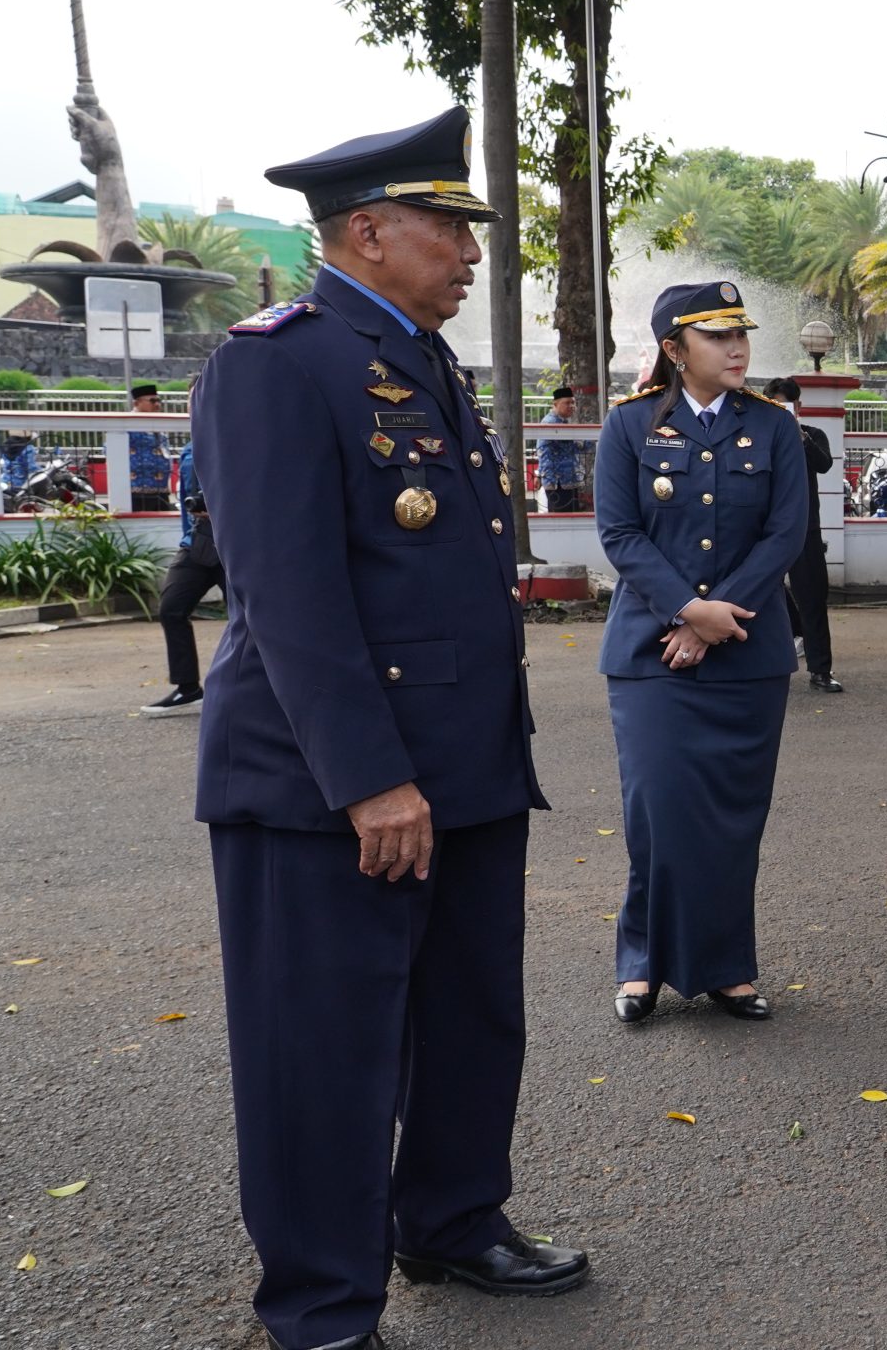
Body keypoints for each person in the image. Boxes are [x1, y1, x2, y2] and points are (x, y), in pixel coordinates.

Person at [192, 105, 586, 1350]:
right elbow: (288, 596)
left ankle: (453, 1221)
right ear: (367, 232)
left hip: (463, 769)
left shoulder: (417, 357)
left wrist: (460, 768)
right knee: (324, 1052)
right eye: (450, 228)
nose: (473, 252)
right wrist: (370, 782)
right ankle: (318, 1304)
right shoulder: (277, 360)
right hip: (326, 787)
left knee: (473, 1018)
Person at [594, 282, 808, 1025]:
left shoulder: (774, 428)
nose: (738, 347)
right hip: (651, 656)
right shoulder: (629, 428)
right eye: (717, 337)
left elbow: (784, 535)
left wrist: (715, 621)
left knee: (730, 818)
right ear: (675, 350)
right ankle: (643, 965)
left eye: (740, 333)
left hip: (746, 655)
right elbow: (620, 534)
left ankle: (728, 968)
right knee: (657, 813)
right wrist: (686, 611)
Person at [143, 380, 220, 717]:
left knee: (249, 622)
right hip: (196, 543)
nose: (194, 406)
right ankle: (188, 688)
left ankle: (262, 691)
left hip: (234, 544)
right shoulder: (190, 446)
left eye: (198, 399)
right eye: (191, 401)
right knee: (172, 608)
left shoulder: (235, 441)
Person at [766, 375, 842, 692]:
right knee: (761, 593)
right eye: (774, 404)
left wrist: (798, 435)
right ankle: (778, 651)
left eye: (785, 403)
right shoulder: (756, 437)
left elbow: (824, 465)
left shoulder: (812, 435)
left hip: (804, 529)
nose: (780, 409)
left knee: (813, 598)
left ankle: (820, 671)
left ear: (797, 405)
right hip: (765, 530)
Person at [536, 387, 592, 513]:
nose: (572, 406)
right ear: (555, 404)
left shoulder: (562, 422)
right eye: (567, 403)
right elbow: (544, 452)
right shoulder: (552, 423)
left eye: (573, 402)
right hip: (558, 482)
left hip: (565, 480)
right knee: (562, 518)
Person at [128, 382, 175, 511]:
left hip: (161, 490)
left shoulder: (158, 424)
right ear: (137, 403)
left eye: (158, 401)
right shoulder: (127, 424)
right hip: (137, 491)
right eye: (152, 401)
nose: (157, 404)